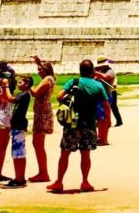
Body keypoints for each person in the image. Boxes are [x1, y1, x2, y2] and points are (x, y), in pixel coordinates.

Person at [46, 59, 109, 193]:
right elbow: (106, 105)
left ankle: (59, 182)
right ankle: (85, 182)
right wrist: (107, 120)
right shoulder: (98, 86)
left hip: (72, 123)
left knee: (65, 153)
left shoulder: (73, 82)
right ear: (92, 71)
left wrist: (71, 97)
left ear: (80, 71)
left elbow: (59, 96)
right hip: (89, 124)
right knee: (85, 155)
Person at [2, 75, 33, 187]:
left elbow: (10, 99)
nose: (18, 84)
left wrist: (5, 85)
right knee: (17, 153)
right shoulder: (22, 94)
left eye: (20, 82)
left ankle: (19, 178)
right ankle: (19, 177)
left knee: (18, 153)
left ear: (27, 84)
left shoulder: (25, 94)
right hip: (16, 125)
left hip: (19, 126)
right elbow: (8, 98)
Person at [29, 56, 56, 183]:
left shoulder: (47, 79)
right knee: (37, 143)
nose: (38, 71)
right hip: (42, 111)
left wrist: (27, 84)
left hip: (42, 113)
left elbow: (35, 93)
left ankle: (43, 172)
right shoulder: (49, 78)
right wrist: (38, 62)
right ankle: (42, 171)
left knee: (38, 143)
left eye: (40, 69)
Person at [93, 57, 115, 144]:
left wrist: (95, 72)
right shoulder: (100, 72)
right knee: (99, 119)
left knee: (105, 119)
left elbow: (106, 77)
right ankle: (100, 137)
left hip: (106, 97)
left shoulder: (110, 71)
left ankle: (104, 139)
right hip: (98, 97)